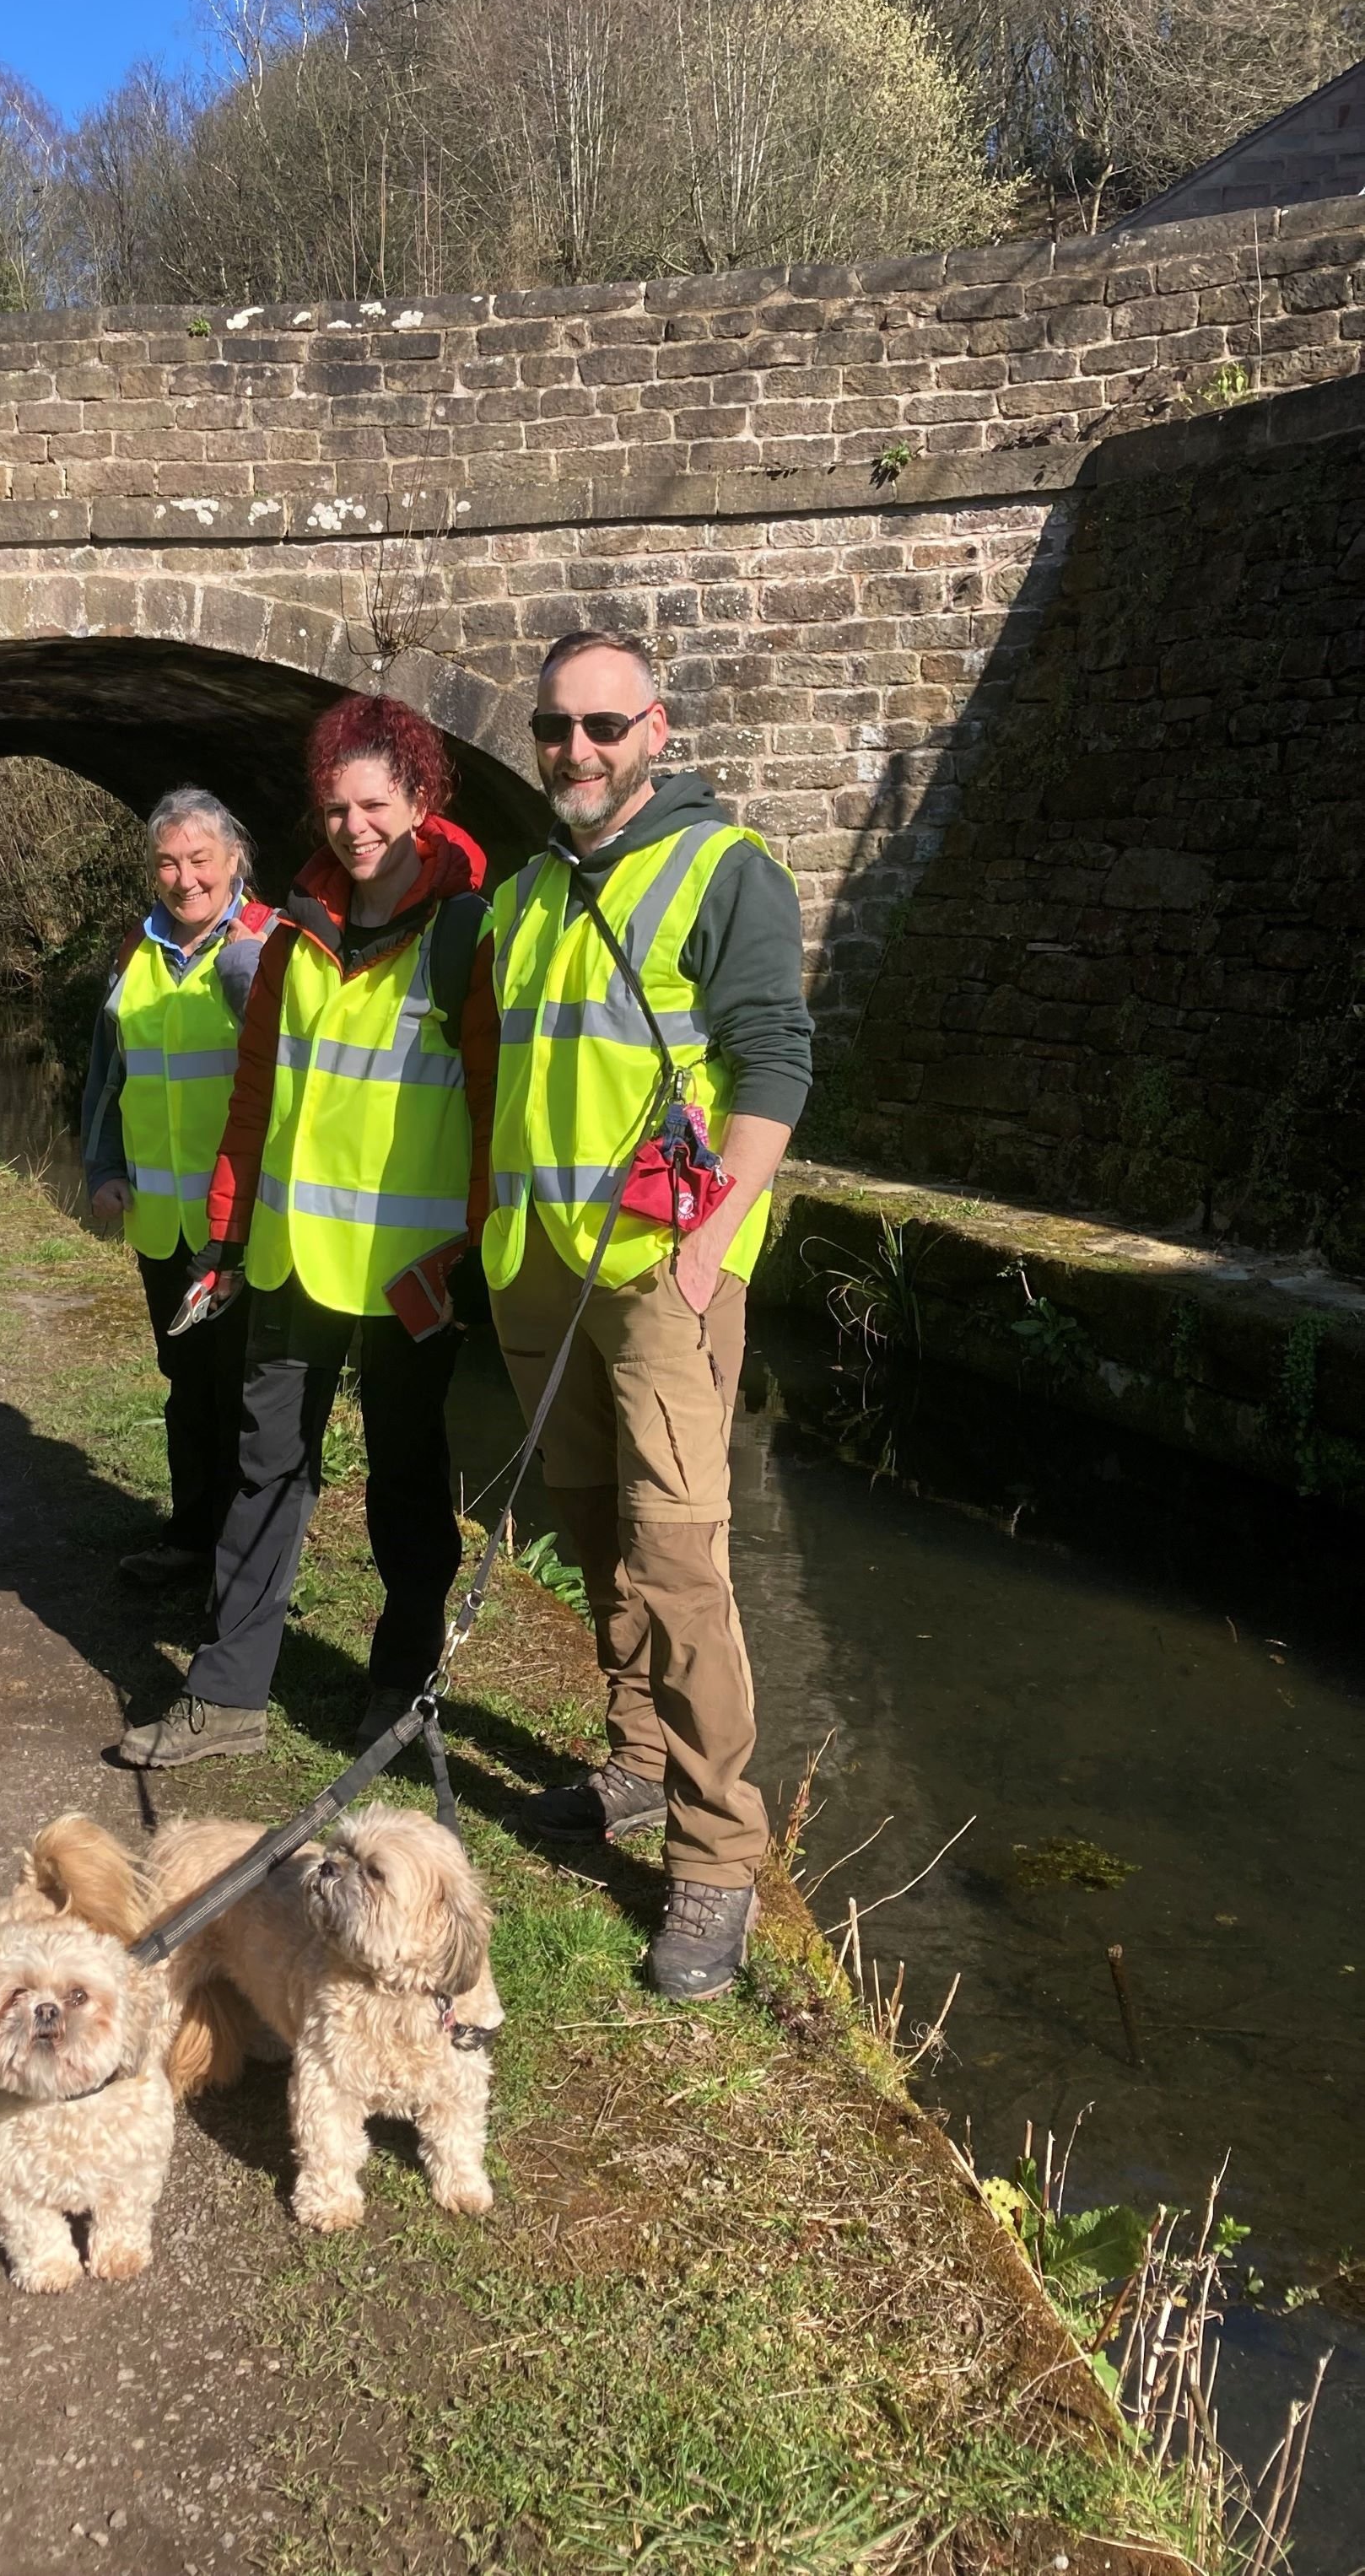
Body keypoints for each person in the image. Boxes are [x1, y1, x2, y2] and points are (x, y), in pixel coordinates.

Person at [485, 628, 812, 1999]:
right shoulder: (517, 899)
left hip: (662, 1270)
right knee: (588, 1527)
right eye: (557, 726)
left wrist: (712, 1246)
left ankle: (717, 1857)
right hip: (536, 1267)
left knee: (680, 1562)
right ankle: (629, 1761)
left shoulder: (725, 869)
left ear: (656, 730)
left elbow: (776, 1057)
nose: (578, 749)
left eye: (604, 725)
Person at [116, 695, 497, 1768]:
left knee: (408, 1482)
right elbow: (255, 1102)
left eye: (374, 804)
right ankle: (227, 1696)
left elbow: (490, 1111)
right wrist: (226, 1241)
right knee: (263, 1468)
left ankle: (399, 1694)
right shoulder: (290, 939)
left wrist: (469, 1251)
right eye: (334, 807)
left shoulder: (466, 933)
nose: (352, 826)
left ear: (420, 802)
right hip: (287, 1259)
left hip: (410, 1273)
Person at [81, 789, 275, 1587]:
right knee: (188, 1384)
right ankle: (193, 1538)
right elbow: (107, 1072)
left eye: (200, 859)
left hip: (246, 1227)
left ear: (234, 859)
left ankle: (246, 1567)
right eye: (168, 861)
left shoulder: (269, 946)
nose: (184, 877)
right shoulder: (136, 951)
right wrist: (102, 1168)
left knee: (245, 1397)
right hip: (163, 1224)